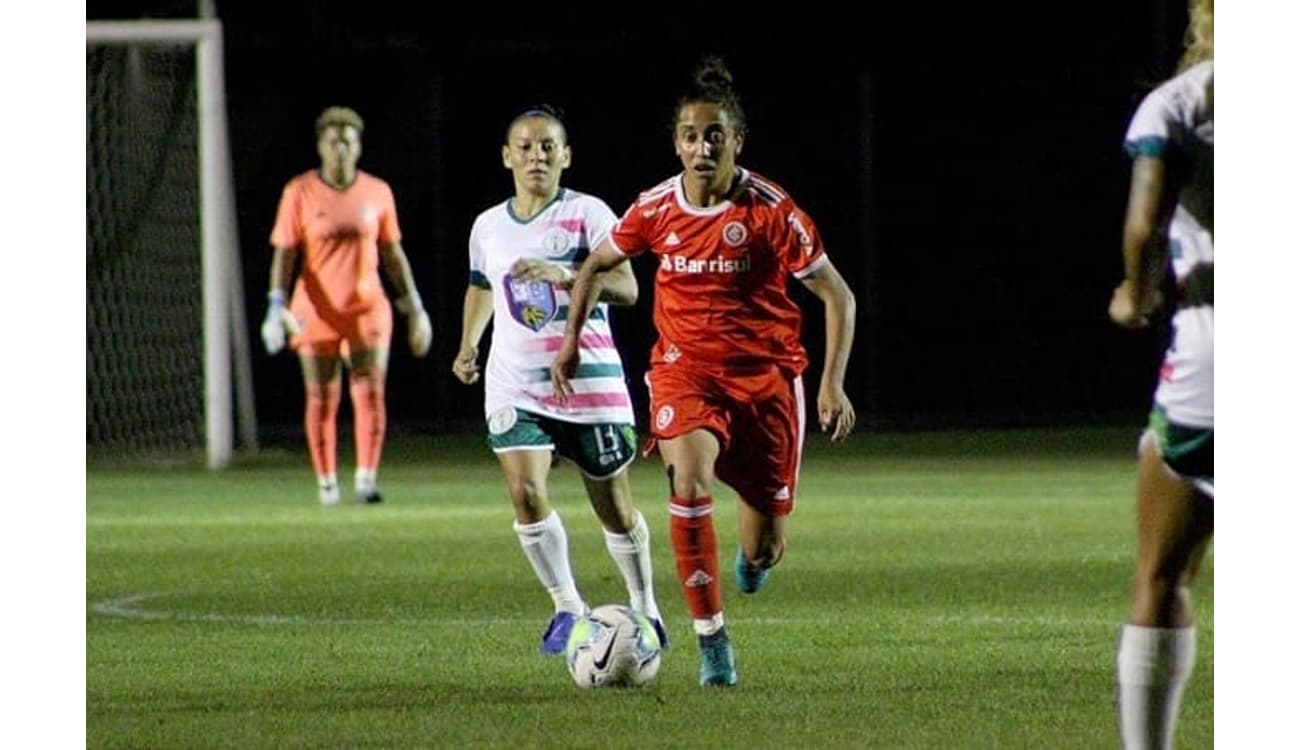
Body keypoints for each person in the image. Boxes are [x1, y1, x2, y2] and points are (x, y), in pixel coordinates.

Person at [551, 57, 858, 687]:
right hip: (684, 373)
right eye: (690, 136)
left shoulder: (772, 211)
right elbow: (593, 266)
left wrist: (830, 384)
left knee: (762, 546)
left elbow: (839, 296)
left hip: (767, 382)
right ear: (676, 143)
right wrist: (570, 343)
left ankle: (752, 562)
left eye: (714, 134)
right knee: (687, 486)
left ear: (736, 141)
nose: (701, 147)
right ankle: (711, 640)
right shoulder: (657, 208)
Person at [452, 104, 666, 655]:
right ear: (506, 157)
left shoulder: (590, 215)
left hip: (589, 383)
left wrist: (570, 275)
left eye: (548, 146)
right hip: (515, 382)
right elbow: (482, 287)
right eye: (524, 146)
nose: (536, 156)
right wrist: (469, 343)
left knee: (614, 509)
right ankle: (567, 605)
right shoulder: (487, 226)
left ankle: (644, 605)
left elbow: (628, 289)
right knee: (525, 491)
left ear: (566, 156)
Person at [1109, 2, 1213, 747]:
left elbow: (1145, 224)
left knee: (1162, 573)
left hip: (1216, 370)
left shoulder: (1181, 102)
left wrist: (1135, 292)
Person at [261, 106, 433, 506]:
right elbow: (285, 253)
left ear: (358, 146)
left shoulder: (377, 191)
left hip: (367, 305)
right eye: (333, 140)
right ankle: (326, 484)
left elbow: (392, 252)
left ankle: (366, 480)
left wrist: (414, 306)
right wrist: (276, 303)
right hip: (316, 307)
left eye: (348, 140)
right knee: (321, 395)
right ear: (321, 145)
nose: (341, 147)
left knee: (370, 390)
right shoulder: (299, 191)